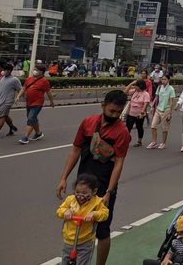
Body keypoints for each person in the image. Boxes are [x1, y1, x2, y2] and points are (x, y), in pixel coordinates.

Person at [57, 90, 131, 265]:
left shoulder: (122, 132)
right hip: (82, 186)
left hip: (104, 186)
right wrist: (63, 178)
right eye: (111, 111)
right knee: (75, 225)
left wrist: (109, 192)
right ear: (103, 106)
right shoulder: (88, 123)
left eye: (118, 112)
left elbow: (119, 163)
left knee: (103, 230)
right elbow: (75, 150)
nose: (115, 115)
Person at [56, 173, 109, 265]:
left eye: (84, 193)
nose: (80, 196)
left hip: (85, 241)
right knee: (65, 261)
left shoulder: (97, 202)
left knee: (83, 263)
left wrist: (94, 214)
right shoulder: (70, 200)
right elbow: (59, 211)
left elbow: (105, 213)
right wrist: (66, 211)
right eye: (77, 192)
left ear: (94, 191)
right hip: (68, 239)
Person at [15, 62, 55, 144]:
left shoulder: (44, 81)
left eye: (36, 70)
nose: (34, 71)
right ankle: (38, 133)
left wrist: (51, 102)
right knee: (32, 118)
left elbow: (49, 93)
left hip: (37, 103)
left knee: (30, 118)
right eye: (34, 69)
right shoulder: (29, 79)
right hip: (29, 102)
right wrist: (18, 96)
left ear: (41, 72)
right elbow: (24, 88)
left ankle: (25, 137)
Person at [0, 62, 22, 139]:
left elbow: (21, 89)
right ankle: (12, 127)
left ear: (9, 71)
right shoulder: (1, 78)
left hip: (7, 102)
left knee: (1, 116)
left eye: (5, 70)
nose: (3, 71)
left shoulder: (14, 80)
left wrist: (19, 98)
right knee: (5, 116)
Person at [147, 75, 175, 149]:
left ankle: (163, 143)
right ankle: (154, 142)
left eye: (165, 79)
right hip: (158, 109)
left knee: (164, 128)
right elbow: (156, 97)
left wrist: (170, 113)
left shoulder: (171, 89)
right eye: (162, 79)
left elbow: (172, 102)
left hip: (166, 110)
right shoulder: (159, 87)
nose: (163, 81)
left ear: (168, 80)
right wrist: (152, 106)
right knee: (153, 126)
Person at [124, 79, 151, 147]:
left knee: (139, 127)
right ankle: (125, 141)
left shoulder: (145, 94)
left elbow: (146, 103)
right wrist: (131, 83)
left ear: (140, 86)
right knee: (128, 127)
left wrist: (142, 112)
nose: (135, 87)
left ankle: (139, 141)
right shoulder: (134, 92)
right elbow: (125, 92)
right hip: (131, 113)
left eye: (136, 86)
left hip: (139, 114)